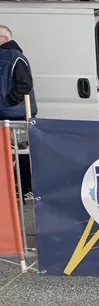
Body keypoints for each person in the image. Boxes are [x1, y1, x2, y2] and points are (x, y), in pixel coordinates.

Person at [0, 25, 38, 199]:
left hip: (16, 115)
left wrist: (8, 101)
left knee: (21, 153)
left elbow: (25, 85)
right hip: (6, 113)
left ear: (5, 38)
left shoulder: (16, 57)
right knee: (9, 153)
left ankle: (26, 189)